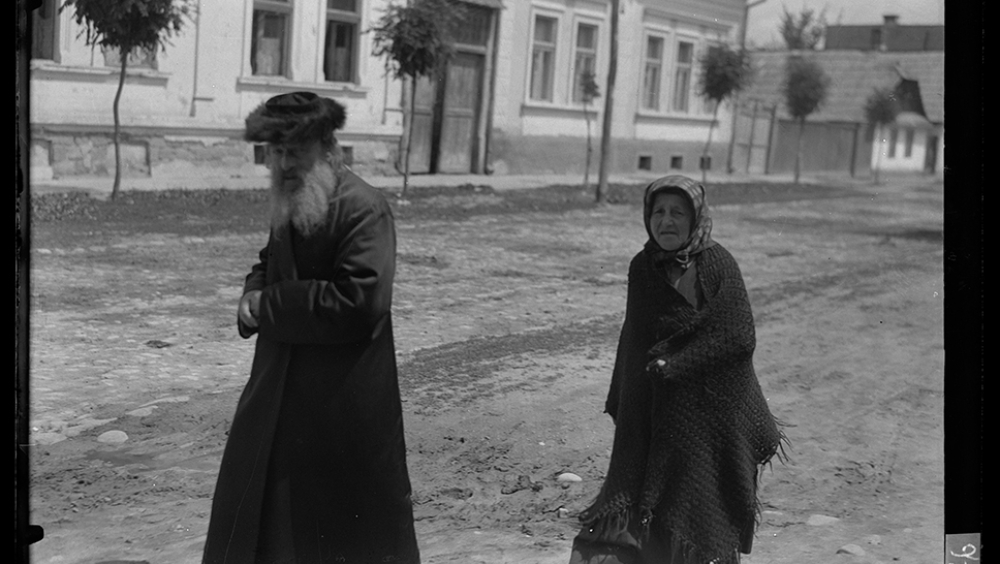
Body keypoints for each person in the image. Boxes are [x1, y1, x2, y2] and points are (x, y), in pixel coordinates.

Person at [202, 91, 420, 564]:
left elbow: (360, 302)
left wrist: (270, 303)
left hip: (342, 403)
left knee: (338, 534)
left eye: (294, 151)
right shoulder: (297, 194)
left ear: (325, 148)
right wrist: (251, 291)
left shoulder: (364, 208)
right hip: (280, 392)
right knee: (270, 528)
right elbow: (270, 258)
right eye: (274, 153)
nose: (282, 163)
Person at [568, 175, 786, 564]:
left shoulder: (717, 263)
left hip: (707, 415)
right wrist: (632, 397)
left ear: (696, 217)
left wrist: (678, 364)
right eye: (658, 212)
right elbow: (635, 340)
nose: (666, 221)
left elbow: (737, 336)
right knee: (645, 504)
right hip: (654, 407)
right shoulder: (642, 267)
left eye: (677, 213)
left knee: (701, 508)